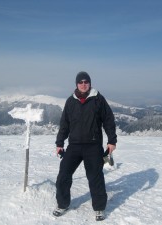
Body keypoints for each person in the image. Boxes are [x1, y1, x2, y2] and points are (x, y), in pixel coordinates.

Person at [53, 71, 117, 221]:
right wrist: (59, 143)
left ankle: (99, 208)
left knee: (95, 177)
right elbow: (64, 124)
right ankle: (62, 204)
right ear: (76, 84)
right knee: (63, 175)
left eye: (86, 82)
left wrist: (112, 141)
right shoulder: (70, 101)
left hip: (93, 146)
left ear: (89, 83)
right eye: (80, 82)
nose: (83, 84)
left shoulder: (98, 99)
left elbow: (108, 120)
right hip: (74, 146)